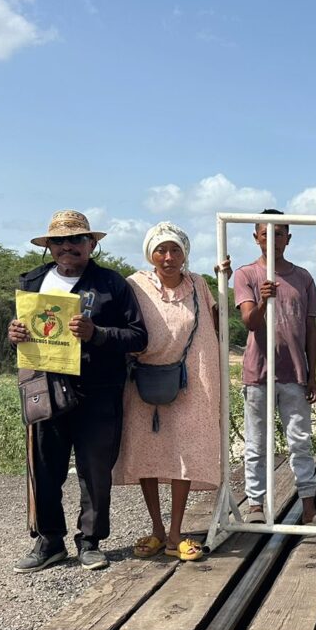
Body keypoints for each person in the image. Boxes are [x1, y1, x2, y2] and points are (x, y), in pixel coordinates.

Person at [8, 210, 147, 573]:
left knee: (95, 469)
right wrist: (14, 335)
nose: (67, 246)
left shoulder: (112, 285)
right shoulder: (31, 281)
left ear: (91, 244)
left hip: (98, 390)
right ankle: (49, 541)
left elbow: (138, 337)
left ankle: (90, 542)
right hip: (44, 386)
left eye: (76, 239)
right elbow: (22, 333)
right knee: (44, 467)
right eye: (59, 240)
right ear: (49, 246)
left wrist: (97, 334)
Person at [113, 222, 228, 561]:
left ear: (184, 253)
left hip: (191, 381)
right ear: (150, 254)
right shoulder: (134, 285)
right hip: (144, 380)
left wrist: (224, 282)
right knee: (147, 452)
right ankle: (157, 529)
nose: (168, 257)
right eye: (161, 250)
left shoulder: (198, 285)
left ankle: (175, 532)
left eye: (175, 250)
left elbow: (214, 325)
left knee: (185, 453)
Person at [233, 209, 316, 525]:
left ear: (288, 238)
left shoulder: (303, 278)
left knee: (300, 441)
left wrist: (312, 373)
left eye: (278, 234)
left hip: (294, 373)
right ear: (256, 237)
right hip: (258, 373)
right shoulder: (247, 275)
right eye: (265, 233)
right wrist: (263, 301)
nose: (272, 240)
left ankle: (309, 508)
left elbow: (311, 328)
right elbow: (250, 322)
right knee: (256, 444)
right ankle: (256, 506)